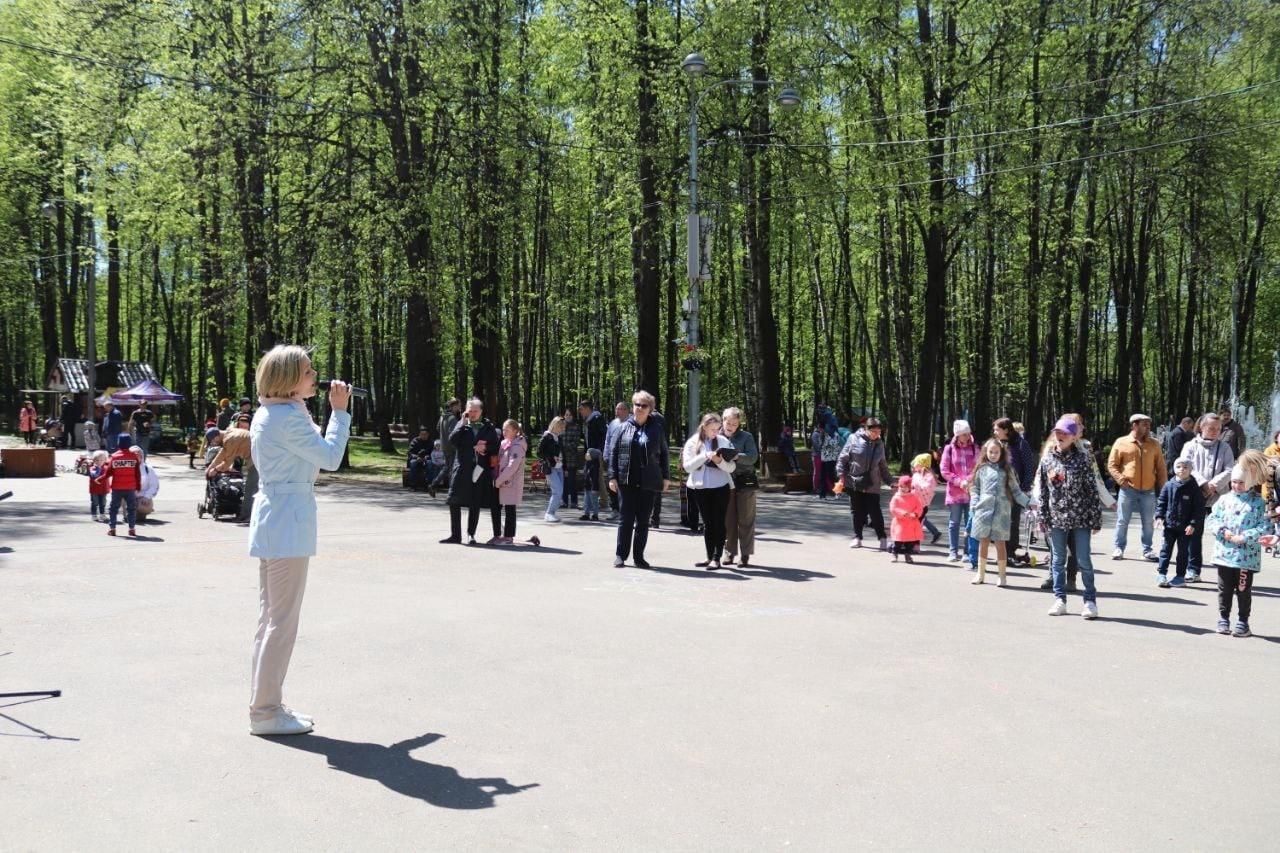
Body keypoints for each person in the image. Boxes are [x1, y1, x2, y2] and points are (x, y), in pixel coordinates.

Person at [245, 345, 351, 736]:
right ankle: (266, 711)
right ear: (289, 379)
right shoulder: (286, 418)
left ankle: (265, 705)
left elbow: (312, 451)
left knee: (270, 621)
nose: (315, 377)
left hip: (278, 519)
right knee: (281, 623)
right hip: (287, 523)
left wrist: (315, 409)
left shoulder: (277, 412)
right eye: (308, 372)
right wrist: (339, 412)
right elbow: (331, 457)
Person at [1037, 416, 1104, 618]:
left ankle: (1090, 601)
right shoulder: (1048, 460)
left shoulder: (1083, 460)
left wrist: (1095, 519)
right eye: (1057, 432)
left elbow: (1092, 491)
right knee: (1057, 561)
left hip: (1081, 518)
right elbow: (1043, 491)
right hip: (1056, 518)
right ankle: (1059, 600)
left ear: (1074, 437)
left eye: (1064, 433)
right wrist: (1043, 517)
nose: (1059, 436)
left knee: (1084, 559)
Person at [1207, 451, 1271, 637]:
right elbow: (1213, 519)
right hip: (1224, 555)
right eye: (1234, 482)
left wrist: (1246, 537)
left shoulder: (1258, 503)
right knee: (1224, 589)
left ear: (1250, 482)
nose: (1237, 486)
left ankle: (1243, 621)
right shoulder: (1224, 499)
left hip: (1245, 558)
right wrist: (1224, 532)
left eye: (1241, 482)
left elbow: (1264, 526)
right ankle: (1223, 618)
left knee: (1243, 590)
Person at [608, 391, 669, 568]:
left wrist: (666, 477)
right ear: (633, 406)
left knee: (643, 521)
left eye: (644, 406)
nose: (640, 408)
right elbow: (613, 453)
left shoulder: (656, 429)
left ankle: (639, 557)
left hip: (648, 481)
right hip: (626, 480)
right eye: (637, 405)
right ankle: (621, 555)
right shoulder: (622, 427)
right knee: (625, 520)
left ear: (650, 409)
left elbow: (664, 453)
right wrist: (612, 476)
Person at [1177, 411, 1235, 583]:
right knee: (1194, 533)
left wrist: (1213, 485)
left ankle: (1228, 569)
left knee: (1225, 532)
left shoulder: (1224, 447)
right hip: (1195, 495)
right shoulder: (1190, 445)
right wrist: (1203, 483)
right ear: (1202, 427)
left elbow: (1230, 469)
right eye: (1211, 428)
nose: (1215, 431)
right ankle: (1193, 569)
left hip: (1218, 496)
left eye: (1218, 429)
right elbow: (1185, 466)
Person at [968, 438, 1032, 586]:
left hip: (1002, 512)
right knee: (983, 542)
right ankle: (980, 574)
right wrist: (974, 504)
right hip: (982, 511)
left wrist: (1028, 503)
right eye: (990, 451)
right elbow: (975, 488)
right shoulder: (981, 469)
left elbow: (1016, 491)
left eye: (996, 452)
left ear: (1001, 453)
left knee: (1000, 543)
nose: (993, 454)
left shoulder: (1008, 470)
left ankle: (1002, 576)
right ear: (986, 452)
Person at [1106, 413, 1167, 561]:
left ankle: (1147, 550)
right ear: (1135, 425)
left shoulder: (1154, 444)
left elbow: (1161, 468)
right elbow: (1112, 465)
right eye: (1145, 424)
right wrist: (1121, 480)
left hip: (1148, 490)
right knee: (1122, 520)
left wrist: (1165, 490)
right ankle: (1119, 548)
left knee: (1148, 522)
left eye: (1149, 424)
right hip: (1128, 489)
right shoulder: (1121, 442)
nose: (1148, 427)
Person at [442, 398, 501, 545]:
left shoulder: (488, 427)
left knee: (475, 502)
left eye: (475, 411)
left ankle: (471, 534)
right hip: (461, 469)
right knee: (454, 501)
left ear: (481, 411)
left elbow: (496, 447)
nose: (473, 414)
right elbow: (452, 440)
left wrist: (485, 448)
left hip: (480, 470)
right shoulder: (462, 425)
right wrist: (462, 423)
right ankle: (455, 535)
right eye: (470, 411)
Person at [682, 412, 736, 569]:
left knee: (719, 522)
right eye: (712, 429)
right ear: (704, 427)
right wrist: (705, 456)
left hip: (721, 487)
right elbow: (687, 467)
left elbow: (731, 467)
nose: (715, 432)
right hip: (700, 487)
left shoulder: (723, 441)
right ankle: (709, 556)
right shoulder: (693, 442)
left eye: (717, 429)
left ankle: (716, 558)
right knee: (707, 523)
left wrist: (719, 461)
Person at [836, 416, 893, 549]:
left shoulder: (880, 443)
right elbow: (842, 459)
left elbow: (883, 465)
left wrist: (890, 482)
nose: (877, 435)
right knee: (857, 511)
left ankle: (882, 538)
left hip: (873, 483)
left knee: (875, 511)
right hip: (854, 482)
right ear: (866, 429)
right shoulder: (853, 439)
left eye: (879, 432)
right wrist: (841, 476)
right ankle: (857, 537)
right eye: (874, 432)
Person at [1155, 458, 1205, 588]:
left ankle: (1180, 576)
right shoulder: (1168, 485)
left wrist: (1193, 524)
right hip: (1170, 526)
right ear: (1174, 469)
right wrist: (1159, 516)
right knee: (1165, 550)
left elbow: (1198, 508)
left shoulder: (1194, 488)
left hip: (1185, 528)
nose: (1182, 470)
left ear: (1191, 470)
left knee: (1183, 553)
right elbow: (1162, 501)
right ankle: (1161, 574)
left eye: (1185, 467)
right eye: (1179, 467)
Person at [721, 407, 759, 567]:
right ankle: (729, 553)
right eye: (728, 422)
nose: (730, 426)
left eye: (734, 424)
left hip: (745, 483)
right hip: (724, 482)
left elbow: (753, 457)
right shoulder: (717, 436)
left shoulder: (746, 437)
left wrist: (736, 456)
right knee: (728, 520)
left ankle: (745, 554)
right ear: (723, 420)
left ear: (739, 424)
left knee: (746, 519)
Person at [994, 417, 1036, 556]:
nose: (995, 432)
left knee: (1013, 521)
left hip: (1016, 489)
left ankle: (1010, 552)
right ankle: (1001, 552)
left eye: (997, 429)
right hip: (998, 489)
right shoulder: (996, 444)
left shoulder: (1021, 444)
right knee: (999, 520)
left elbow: (1029, 466)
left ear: (1006, 430)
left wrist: (1024, 487)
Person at [940, 420, 977, 563]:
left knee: (970, 522)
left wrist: (968, 480)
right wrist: (958, 481)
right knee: (954, 522)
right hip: (955, 493)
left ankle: (967, 552)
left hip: (971, 491)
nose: (967, 436)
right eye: (964, 434)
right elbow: (944, 470)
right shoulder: (949, 449)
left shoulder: (975, 448)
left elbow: (978, 466)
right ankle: (953, 551)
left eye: (968, 433)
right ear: (957, 435)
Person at [207, 419, 256, 522]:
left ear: (216, 436)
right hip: (256, 458)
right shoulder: (229, 433)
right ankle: (247, 514)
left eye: (213, 441)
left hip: (257, 459)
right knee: (252, 488)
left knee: (250, 489)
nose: (214, 443)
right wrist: (210, 467)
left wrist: (215, 470)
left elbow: (227, 462)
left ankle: (246, 516)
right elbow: (223, 452)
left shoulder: (230, 440)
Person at [494, 419, 528, 544]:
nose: (504, 432)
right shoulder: (505, 443)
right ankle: (503, 534)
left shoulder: (518, 446)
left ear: (515, 431)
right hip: (503, 482)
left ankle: (508, 536)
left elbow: (512, 466)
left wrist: (499, 480)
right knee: (504, 507)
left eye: (507, 430)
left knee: (510, 509)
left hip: (511, 483)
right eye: (503, 429)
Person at [102, 442, 143, 537]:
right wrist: (138, 487)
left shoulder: (115, 456)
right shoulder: (134, 457)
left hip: (117, 488)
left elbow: (108, 473)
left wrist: (100, 479)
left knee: (113, 509)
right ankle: (132, 529)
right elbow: (138, 474)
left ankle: (112, 529)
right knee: (131, 509)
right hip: (130, 488)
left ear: (119, 444)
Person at [603, 402, 630, 521]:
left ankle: (625, 510)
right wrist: (606, 454)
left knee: (625, 486)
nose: (617, 411)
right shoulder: (613, 423)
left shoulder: (632, 423)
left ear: (627, 410)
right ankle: (614, 509)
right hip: (612, 459)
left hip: (626, 460)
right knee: (612, 484)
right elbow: (607, 440)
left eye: (620, 409)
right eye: (616, 409)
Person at [889, 475, 924, 563]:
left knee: (910, 541)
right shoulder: (896, 497)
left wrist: (916, 514)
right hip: (900, 523)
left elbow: (919, 507)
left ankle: (908, 554)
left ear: (909, 487)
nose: (902, 489)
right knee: (898, 541)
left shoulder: (914, 497)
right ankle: (895, 553)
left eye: (904, 487)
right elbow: (893, 508)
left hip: (911, 523)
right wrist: (903, 513)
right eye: (900, 486)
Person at [539, 416, 567, 523]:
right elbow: (539, 452)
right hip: (551, 468)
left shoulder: (558, 437)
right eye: (561, 426)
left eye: (563, 427)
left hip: (559, 468)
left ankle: (552, 513)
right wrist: (551, 457)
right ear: (555, 425)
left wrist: (565, 467)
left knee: (559, 492)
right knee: (558, 491)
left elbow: (562, 453)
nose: (563, 429)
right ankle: (549, 513)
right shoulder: (547, 437)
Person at [910, 453, 941, 545]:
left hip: (922, 505)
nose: (914, 465)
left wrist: (915, 487)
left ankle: (915, 544)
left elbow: (926, 488)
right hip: (913, 503)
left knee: (918, 523)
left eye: (916, 463)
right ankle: (910, 542)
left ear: (922, 464)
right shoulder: (916, 475)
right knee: (915, 522)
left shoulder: (929, 477)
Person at [436, 398, 462, 488]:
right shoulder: (452, 418)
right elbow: (453, 433)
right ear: (453, 406)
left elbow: (438, 428)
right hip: (452, 447)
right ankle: (452, 490)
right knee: (452, 469)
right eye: (459, 406)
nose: (460, 408)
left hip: (444, 446)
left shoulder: (442, 416)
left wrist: (443, 437)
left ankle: (433, 484)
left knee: (447, 467)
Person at [560, 408, 583, 511]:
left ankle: (574, 502)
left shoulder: (576, 427)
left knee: (572, 481)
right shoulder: (561, 426)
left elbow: (576, 443)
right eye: (566, 415)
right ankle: (564, 501)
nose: (567, 416)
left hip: (572, 458)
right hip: (561, 458)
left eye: (569, 415)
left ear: (573, 416)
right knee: (563, 481)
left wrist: (564, 446)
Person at [135, 448, 160, 521]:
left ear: (142, 456)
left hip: (143, 496)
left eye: (139, 455)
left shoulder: (148, 469)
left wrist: (147, 496)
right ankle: (128, 513)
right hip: (128, 496)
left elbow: (154, 485)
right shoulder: (126, 468)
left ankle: (141, 512)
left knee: (144, 509)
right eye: (134, 455)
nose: (137, 457)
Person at [88, 449, 110, 522]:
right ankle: (94, 515)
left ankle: (102, 514)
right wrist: (98, 469)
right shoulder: (92, 468)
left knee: (103, 502)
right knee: (95, 502)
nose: (99, 462)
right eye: (97, 460)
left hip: (104, 489)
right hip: (94, 490)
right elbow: (94, 475)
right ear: (94, 460)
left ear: (104, 460)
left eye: (101, 460)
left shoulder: (106, 468)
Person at [810, 424, 831, 499]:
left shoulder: (824, 434)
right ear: (819, 428)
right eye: (823, 428)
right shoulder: (815, 434)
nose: (824, 430)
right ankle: (815, 488)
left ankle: (828, 488)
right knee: (817, 472)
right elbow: (816, 446)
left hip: (824, 455)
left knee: (826, 472)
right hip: (817, 455)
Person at [581, 447, 602, 521]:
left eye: (588, 453)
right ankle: (586, 514)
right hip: (587, 486)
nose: (586, 454)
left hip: (593, 487)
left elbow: (595, 478)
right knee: (586, 501)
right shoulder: (587, 463)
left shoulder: (595, 465)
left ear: (592, 456)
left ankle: (595, 515)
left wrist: (594, 488)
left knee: (594, 501)